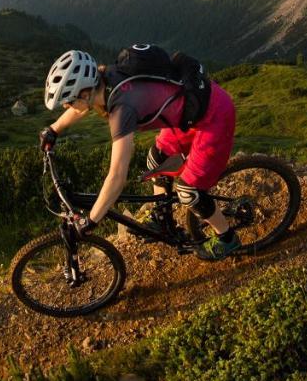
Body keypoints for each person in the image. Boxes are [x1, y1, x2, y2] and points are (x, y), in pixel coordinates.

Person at [39, 49, 241, 260]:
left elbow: (117, 176)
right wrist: (54, 130)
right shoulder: (104, 77)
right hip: (186, 116)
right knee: (156, 160)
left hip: (214, 117)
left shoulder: (122, 109)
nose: (66, 106)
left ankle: (227, 239)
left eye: (69, 101)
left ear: (85, 94)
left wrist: (92, 220)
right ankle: (163, 220)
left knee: (188, 192)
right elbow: (82, 107)